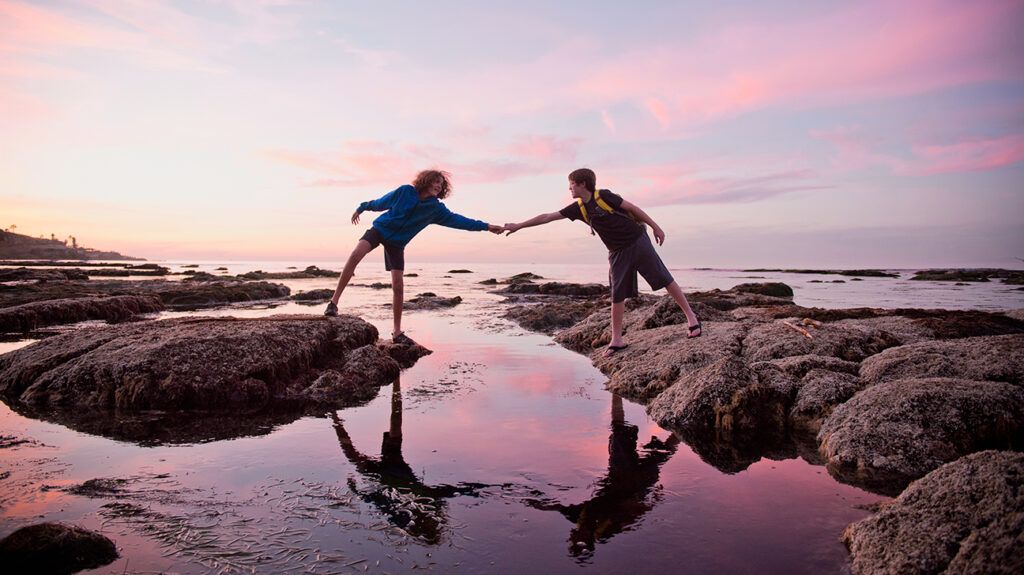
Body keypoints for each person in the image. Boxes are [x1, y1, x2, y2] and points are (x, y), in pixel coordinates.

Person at [505, 168, 701, 355]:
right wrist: (519, 226)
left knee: (664, 278)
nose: (570, 188)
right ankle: (617, 340)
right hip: (616, 252)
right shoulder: (578, 208)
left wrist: (655, 227)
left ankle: (692, 318)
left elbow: (632, 208)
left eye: (572, 184)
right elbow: (547, 217)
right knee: (617, 294)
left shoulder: (604, 196)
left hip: (637, 240)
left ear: (582, 184)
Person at [324, 170, 503, 342]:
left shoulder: (435, 209)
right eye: (436, 181)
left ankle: (397, 332)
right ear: (426, 180)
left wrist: (486, 226)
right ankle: (333, 303)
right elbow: (381, 203)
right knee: (356, 254)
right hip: (380, 230)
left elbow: (460, 221)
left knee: (398, 286)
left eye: (441, 185)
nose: (438, 186)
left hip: (397, 244)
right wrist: (363, 207)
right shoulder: (405, 191)